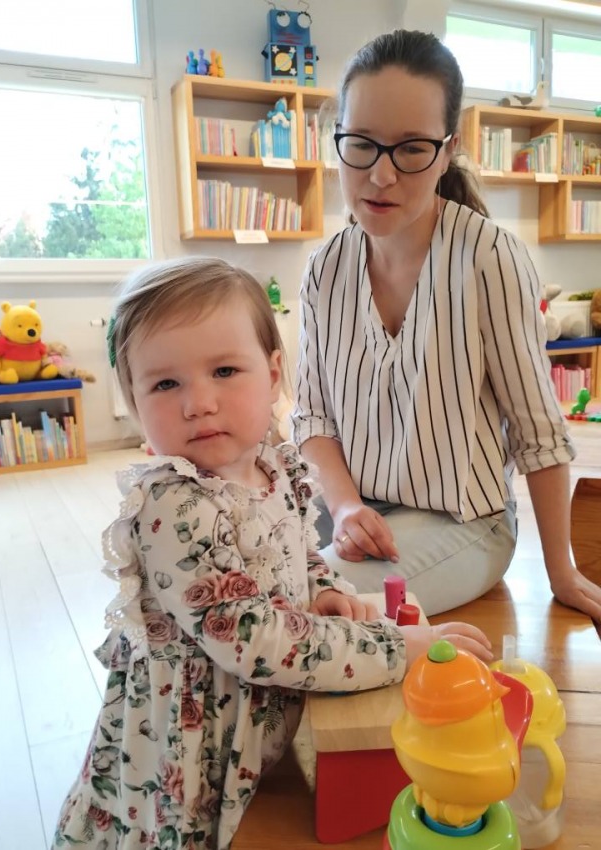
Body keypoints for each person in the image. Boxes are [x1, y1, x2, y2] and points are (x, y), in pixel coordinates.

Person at [51, 257, 491, 850]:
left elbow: (298, 546)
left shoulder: (273, 465)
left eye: (224, 370)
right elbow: (254, 638)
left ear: (275, 373)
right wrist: (398, 649)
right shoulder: (174, 505)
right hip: (195, 746)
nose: (198, 403)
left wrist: (323, 588)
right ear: (132, 400)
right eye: (165, 384)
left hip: (254, 717)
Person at [292, 29, 601, 622]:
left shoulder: (488, 258)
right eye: (361, 144)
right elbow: (312, 418)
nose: (381, 175)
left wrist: (561, 572)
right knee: (240, 586)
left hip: (463, 525)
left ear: (447, 149)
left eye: (412, 148)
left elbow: (537, 432)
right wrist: (348, 507)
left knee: (308, 611)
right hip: (350, 510)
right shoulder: (324, 268)